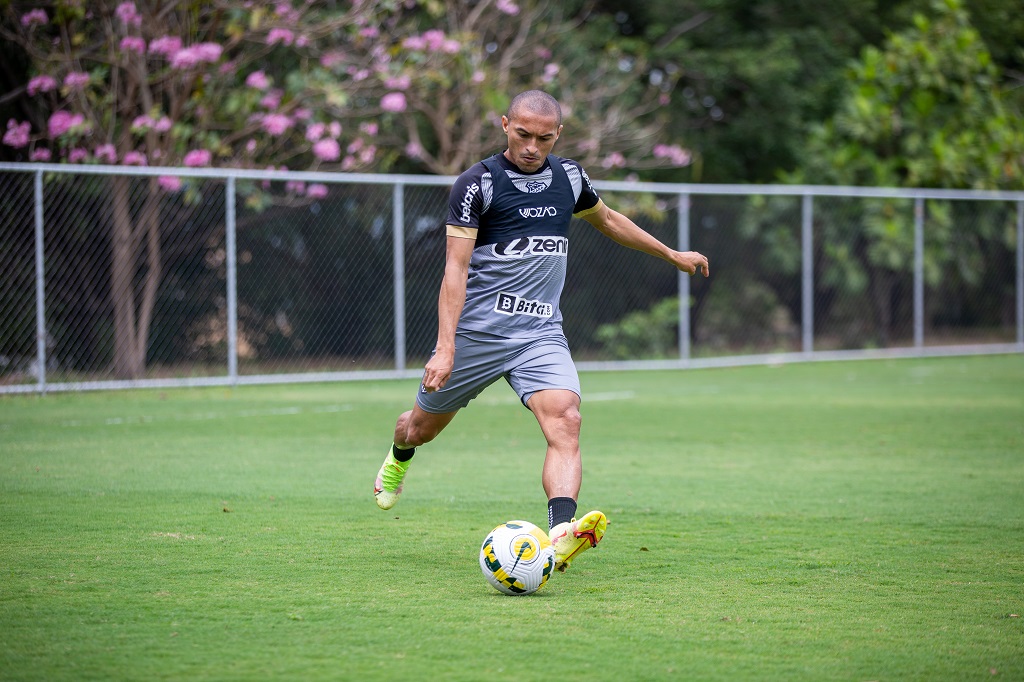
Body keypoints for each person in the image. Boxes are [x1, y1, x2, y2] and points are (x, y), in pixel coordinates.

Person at [374, 90, 709, 573]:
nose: (532, 146)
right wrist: (445, 348)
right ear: (506, 124)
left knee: (566, 419)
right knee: (420, 428)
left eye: (544, 138)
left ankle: (559, 534)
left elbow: (609, 219)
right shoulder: (478, 184)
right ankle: (399, 454)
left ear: (558, 135)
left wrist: (672, 254)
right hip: (479, 335)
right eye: (523, 134)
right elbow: (455, 269)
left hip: (540, 334)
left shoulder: (569, 178)